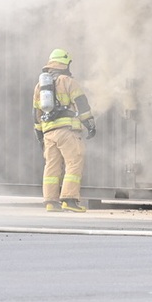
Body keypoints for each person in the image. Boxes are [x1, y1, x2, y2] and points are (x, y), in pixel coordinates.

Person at [33, 48, 96, 212]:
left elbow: (36, 114)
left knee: (51, 167)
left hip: (48, 134)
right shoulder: (68, 81)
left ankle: (50, 202)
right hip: (67, 131)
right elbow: (82, 104)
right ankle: (69, 199)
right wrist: (89, 124)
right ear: (65, 63)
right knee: (74, 162)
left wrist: (40, 137)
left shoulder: (40, 86)